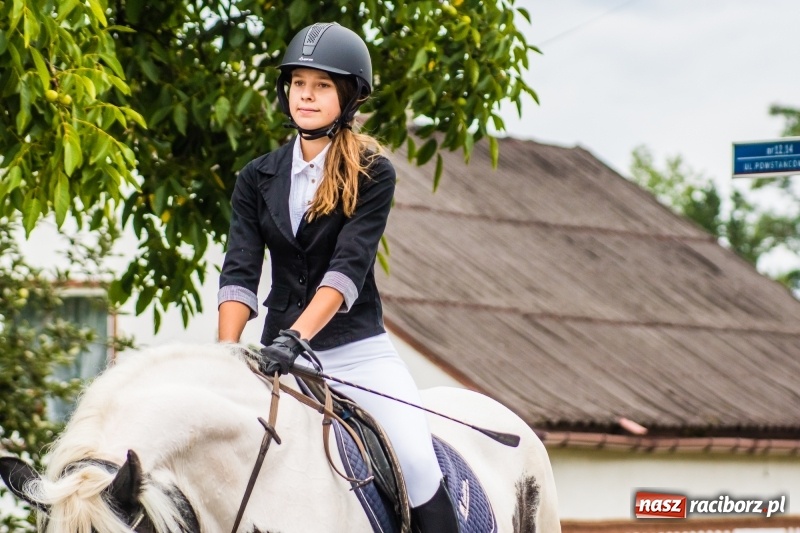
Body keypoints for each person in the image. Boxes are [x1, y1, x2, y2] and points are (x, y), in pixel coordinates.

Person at [217, 22, 460, 533]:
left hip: (355, 352)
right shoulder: (255, 177)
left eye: (322, 85)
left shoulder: (372, 172)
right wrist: (225, 352)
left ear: (347, 96)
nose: (306, 95)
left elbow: (347, 269)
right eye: (299, 83)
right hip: (274, 357)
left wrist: (295, 338)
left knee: (416, 465)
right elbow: (240, 270)